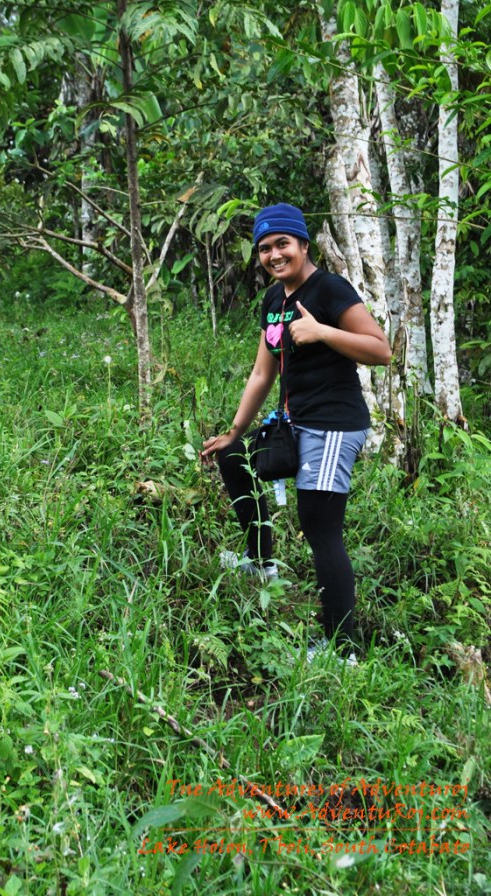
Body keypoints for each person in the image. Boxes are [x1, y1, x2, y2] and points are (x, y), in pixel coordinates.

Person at [201, 203, 391, 659]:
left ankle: (342, 647)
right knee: (235, 457)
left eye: (282, 243)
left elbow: (380, 350)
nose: (274, 255)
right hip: (294, 422)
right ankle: (260, 562)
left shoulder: (329, 289)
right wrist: (233, 431)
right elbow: (262, 373)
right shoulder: (274, 302)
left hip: (333, 424)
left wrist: (323, 332)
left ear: (303, 245)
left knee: (319, 526)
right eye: (264, 248)